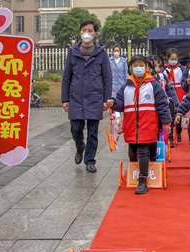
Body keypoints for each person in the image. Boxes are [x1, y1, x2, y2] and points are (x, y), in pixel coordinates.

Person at [107, 56, 172, 194]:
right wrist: (113, 104)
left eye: (141, 65)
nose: (138, 68)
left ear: (147, 67)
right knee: (132, 151)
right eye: (135, 65)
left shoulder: (154, 85)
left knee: (143, 151)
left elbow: (161, 105)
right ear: (130, 68)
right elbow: (120, 104)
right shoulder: (126, 86)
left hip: (147, 124)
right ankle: (135, 173)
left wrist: (166, 122)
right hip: (131, 125)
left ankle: (143, 181)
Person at [62, 20, 112, 172]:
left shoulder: (101, 53)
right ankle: (79, 147)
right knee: (76, 128)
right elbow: (66, 77)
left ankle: (90, 160)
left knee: (92, 132)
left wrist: (106, 99)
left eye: (90, 30)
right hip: (76, 97)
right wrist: (65, 99)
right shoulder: (72, 52)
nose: (87, 33)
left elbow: (107, 77)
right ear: (80, 32)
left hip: (94, 97)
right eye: (84, 30)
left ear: (95, 33)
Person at [164, 48, 186, 146]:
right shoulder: (164, 70)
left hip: (179, 92)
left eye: (175, 59)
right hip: (169, 94)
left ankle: (178, 131)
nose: (173, 60)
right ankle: (170, 136)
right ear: (167, 58)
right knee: (170, 114)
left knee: (179, 112)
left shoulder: (181, 69)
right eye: (171, 59)